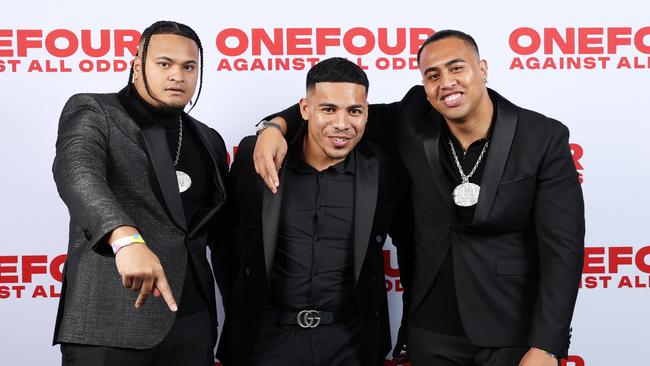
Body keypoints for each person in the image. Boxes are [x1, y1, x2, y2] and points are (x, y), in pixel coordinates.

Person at [253, 30, 585, 366]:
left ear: (482, 69)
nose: (446, 83)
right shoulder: (412, 118)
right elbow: (338, 108)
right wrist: (274, 127)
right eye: (433, 75)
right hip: (431, 333)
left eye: (457, 68)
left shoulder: (541, 137)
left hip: (511, 330)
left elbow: (563, 250)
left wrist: (546, 345)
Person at [52, 20, 229, 366]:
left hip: (191, 322)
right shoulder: (95, 110)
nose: (178, 75)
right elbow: (77, 173)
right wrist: (125, 239)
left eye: (189, 66)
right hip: (111, 322)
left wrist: (276, 126)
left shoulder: (209, 138)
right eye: (165, 64)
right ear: (137, 65)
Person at [217, 57, 412, 366]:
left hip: (351, 344)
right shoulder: (255, 161)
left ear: (367, 114)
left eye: (355, 111)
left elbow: (411, 247)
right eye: (329, 109)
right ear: (305, 110)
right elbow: (224, 243)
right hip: (265, 341)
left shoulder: (384, 170)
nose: (342, 124)